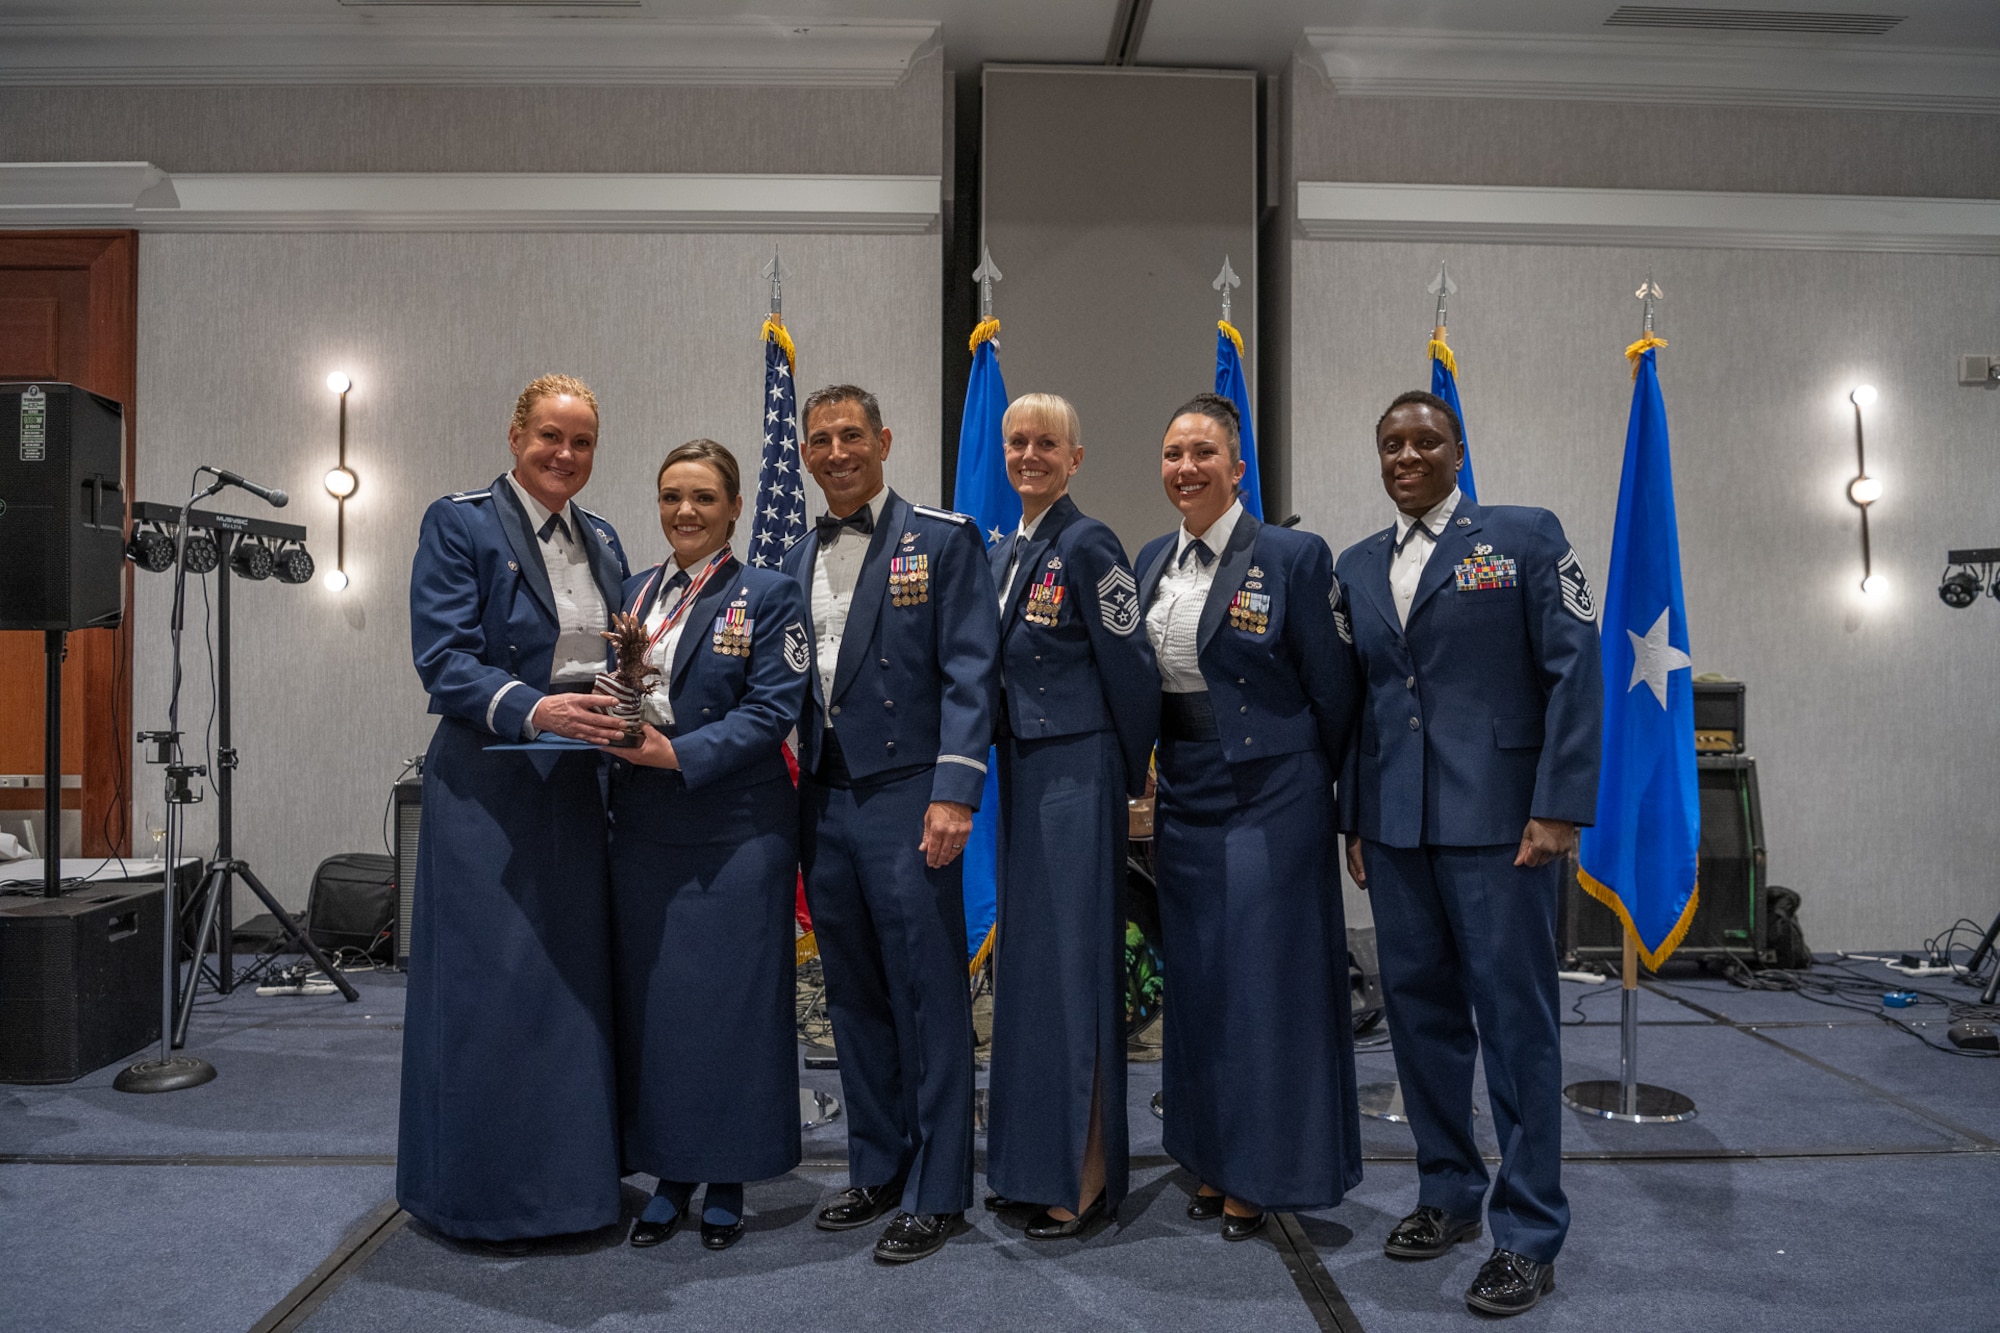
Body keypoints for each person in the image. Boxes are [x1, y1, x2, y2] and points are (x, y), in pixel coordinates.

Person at [1336, 389, 1603, 1318]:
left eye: (1425, 440)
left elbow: (1575, 666)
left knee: (1516, 1028)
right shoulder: (1357, 563)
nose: (1407, 456)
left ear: (1459, 447)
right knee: (1421, 1021)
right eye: (1391, 445)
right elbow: (1361, 702)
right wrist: (1354, 817)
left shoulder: (1522, 536)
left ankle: (1528, 1232)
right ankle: (1446, 1191)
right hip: (1397, 829)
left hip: (1505, 829)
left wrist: (1561, 805)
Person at [403, 373, 629, 1249]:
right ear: (514, 435)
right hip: (488, 793)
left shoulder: (603, 537)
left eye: (580, 442)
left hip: (578, 792)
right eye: (549, 437)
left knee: (570, 993)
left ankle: (573, 1191)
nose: (564, 454)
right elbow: (444, 660)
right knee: (491, 994)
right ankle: (481, 1197)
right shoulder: (456, 522)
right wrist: (537, 708)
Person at [1134, 391, 1361, 1242]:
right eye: (1172, 454)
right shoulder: (1154, 557)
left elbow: (1336, 692)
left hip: (1274, 794)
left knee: (1266, 984)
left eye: (1202, 452)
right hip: (1186, 791)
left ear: (1236, 464)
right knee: (1198, 984)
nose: (1185, 468)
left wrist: (1339, 804)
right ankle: (1209, 1153)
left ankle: (1265, 1173)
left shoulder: (1294, 556)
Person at [780, 384, 1000, 1263]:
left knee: (929, 991)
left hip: (913, 795)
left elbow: (970, 671)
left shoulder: (942, 539)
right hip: (824, 798)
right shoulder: (793, 557)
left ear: (884, 440)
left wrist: (956, 792)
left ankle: (941, 1185)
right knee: (853, 991)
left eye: (851, 435)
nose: (836, 451)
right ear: (803, 452)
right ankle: (875, 1165)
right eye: (820, 439)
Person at [600, 440, 810, 1252]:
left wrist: (677, 753)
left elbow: (772, 712)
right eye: (670, 496)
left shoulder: (770, 594)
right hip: (645, 831)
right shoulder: (634, 591)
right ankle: (669, 1171)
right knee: (658, 1008)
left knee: (732, 1007)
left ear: (734, 508)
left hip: (736, 829)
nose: (684, 511)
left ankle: (726, 1176)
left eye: (702, 497)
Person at [981, 393, 1158, 1239]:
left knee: (1075, 975)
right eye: (1016, 441)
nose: (1027, 454)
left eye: (1045, 442)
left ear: (1075, 457)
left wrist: (1125, 780)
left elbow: (1132, 667)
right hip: (1020, 770)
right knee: (1028, 979)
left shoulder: (1090, 544)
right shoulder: (1003, 548)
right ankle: (1027, 1162)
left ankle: (1087, 1179)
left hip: (1077, 774)